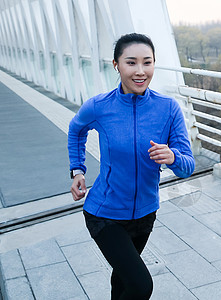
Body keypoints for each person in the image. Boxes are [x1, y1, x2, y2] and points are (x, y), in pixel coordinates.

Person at [67, 33, 195, 299]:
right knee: (141, 285)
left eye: (147, 63)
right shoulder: (99, 107)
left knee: (122, 282)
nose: (140, 71)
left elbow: (188, 166)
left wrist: (172, 157)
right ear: (116, 65)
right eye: (131, 63)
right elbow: (75, 130)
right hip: (105, 214)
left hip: (145, 214)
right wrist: (77, 170)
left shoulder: (168, 109)